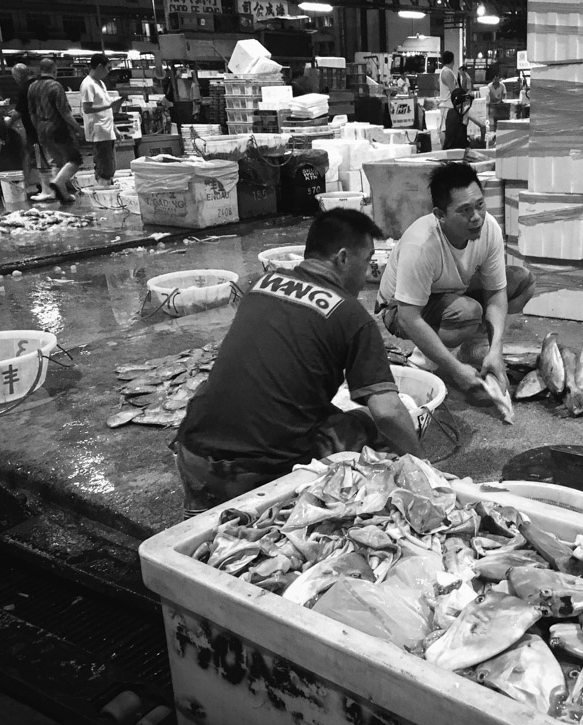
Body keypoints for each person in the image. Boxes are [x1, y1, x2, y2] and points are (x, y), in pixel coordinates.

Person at [174, 209, 422, 518]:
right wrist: (420, 464)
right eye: (367, 260)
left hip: (193, 457)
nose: (369, 271)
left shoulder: (262, 285)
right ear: (343, 258)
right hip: (252, 475)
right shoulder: (350, 315)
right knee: (370, 428)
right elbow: (388, 411)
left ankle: (202, 512)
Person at [376, 162, 535, 394]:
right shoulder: (421, 245)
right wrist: (454, 369)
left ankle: (475, 349)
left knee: (522, 282)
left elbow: (496, 292)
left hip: (452, 290)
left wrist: (496, 348)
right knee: (467, 314)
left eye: (480, 205)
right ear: (440, 215)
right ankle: (422, 361)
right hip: (398, 310)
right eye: (464, 210)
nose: (476, 217)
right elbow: (409, 317)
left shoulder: (488, 228)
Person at [29, 57, 85, 203]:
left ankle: (60, 194)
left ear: (40, 70)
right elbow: (64, 112)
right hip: (58, 128)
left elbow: (32, 113)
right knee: (75, 159)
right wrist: (78, 128)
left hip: (41, 128)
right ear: (55, 70)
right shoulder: (55, 86)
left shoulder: (32, 87)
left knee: (55, 162)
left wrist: (39, 129)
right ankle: (59, 183)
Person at [10, 63, 55, 202]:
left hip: (35, 130)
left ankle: (47, 190)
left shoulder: (26, 89)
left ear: (18, 76)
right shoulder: (41, 84)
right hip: (50, 126)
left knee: (40, 159)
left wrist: (6, 123)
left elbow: (19, 111)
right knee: (51, 158)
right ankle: (53, 188)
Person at [81, 53, 122, 187]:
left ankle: (107, 185)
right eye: (107, 68)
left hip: (107, 129)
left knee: (110, 164)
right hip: (99, 131)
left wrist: (115, 128)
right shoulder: (88, 84)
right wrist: (109, 105)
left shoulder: (100, 83)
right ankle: (103, 189)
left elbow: (107, 109)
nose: (108, 71)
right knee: (104, 166)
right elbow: (87, 108)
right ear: (99, 66)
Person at [438, 51, 458, 143]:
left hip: (449, 105)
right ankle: (444, 149)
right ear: (453, 60)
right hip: (447, 105)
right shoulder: (446, 72)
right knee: (444, 129)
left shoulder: (447, 71)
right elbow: (453, 91)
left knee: (448, 129)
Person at [485, 66, 506, 131]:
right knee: (492, 123)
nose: (496, 81)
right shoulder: (489, 86)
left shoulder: (502, 86)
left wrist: (503, 101)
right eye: (495, 79)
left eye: (498, 79)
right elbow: (487, 96)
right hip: (492, 106)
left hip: (500, 106)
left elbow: (504, 94)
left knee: (500, 122)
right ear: (493, 79)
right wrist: (488, 103)